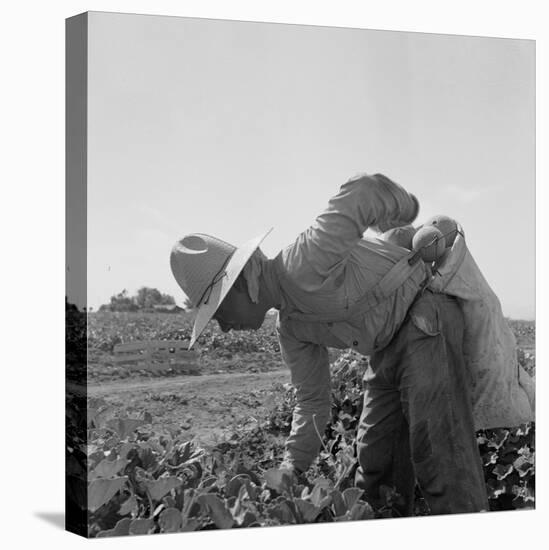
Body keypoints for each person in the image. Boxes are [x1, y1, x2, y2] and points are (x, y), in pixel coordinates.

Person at [170, 173, 491, 515]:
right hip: (386, 346)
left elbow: (364, 191)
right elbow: (311, 401)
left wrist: (406, 208)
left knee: (440, 454)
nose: (222, 326)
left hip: (426, 319)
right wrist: (292, 469)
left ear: (243, 282)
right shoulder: (290, 329)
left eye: (217, 309)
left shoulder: (304, 261)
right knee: (376, 466)